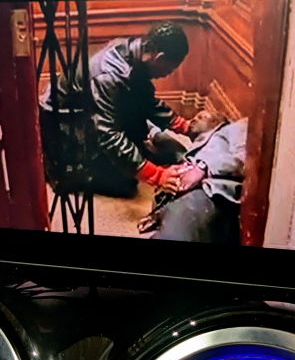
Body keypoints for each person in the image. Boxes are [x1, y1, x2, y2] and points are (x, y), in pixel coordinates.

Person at [40, 21, 193, 197]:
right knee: (127, 184)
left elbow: (144, 97)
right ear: (159, 57)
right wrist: (156, 175)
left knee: (134, 146)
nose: (167, 74)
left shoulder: (133, 50)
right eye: (169, 69)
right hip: (65, 127)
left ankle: (139, 148)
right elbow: (108, 135)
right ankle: (76, 171)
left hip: (86, 111)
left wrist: (182, 126)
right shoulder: (109, 77)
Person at [141, 112, 248, 244]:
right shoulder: (196, 146)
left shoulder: (235, 128)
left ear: (219, 122)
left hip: (210, 192)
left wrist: (203, 167)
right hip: (185, 197)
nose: (194, 119)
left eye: (202, 117)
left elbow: (246, 159)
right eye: (194, 117)